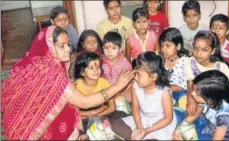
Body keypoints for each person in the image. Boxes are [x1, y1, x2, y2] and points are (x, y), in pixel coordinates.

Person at [1, 26, 134, 140]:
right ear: (48, 47)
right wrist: (117, 86)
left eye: (68, 44)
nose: (68, 49)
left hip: (17, 125)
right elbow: (85, 102)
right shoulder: (50, 74)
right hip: (31, 131)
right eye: (61, 46)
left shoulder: (34, 60)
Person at [185, 30, 229, 133]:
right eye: (195, 48)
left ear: (213, 51)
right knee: (188, 109)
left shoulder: (221, 67)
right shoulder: (189, 61)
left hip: (222, 95)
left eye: (204, 50)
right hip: (198, 95)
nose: (198, 53)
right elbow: (190, 85)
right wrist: (190, 101)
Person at [112, 52, 177, 140]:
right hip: (142, 119)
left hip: (160, 124)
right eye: (135, 73)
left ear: (153, 77)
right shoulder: (135, 85)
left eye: (139, 75)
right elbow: (135, 108)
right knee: (116, 124)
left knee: (157, 137)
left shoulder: (164, 93)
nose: (135, 77)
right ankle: (136, 136)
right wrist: (139, 127)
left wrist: (147, 131)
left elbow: (168, 118)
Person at [173, 70, 229, 140]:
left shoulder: (224, 116)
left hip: (224, 137)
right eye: (194, 90)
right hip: (210, 126)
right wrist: (182, 125)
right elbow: (196, 113)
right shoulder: (209, 98)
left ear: (210, 98)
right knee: (176, 115)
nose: (192, 93)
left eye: (197, 94)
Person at [101, 31, 132, 113]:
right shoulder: (101, 62)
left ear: (120, 49)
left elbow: (129, 82)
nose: (109, 51)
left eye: (113, 48)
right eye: (106, 47)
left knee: (123, 99)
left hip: (122, 91)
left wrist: (120, 92)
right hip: (107, 92)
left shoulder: (124, 64)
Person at [159, 27, 189, 110]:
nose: (163, 49)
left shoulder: (185, 61)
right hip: (163, 92)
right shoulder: (160, 60)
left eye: (168, 46)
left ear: (178, 46)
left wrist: (169, 88)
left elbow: (186, 84)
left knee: (184, 102)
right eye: (162, 46)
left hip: (181, 93)